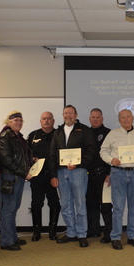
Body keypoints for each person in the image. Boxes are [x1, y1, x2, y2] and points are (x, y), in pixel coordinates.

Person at [100, 109, 134, 250]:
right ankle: (115, 237)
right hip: (118, 173)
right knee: (118, 207)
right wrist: (111, 160)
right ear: (119, 119)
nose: (126, 119)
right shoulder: (113, 134)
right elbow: (103, 151)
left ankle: (132, 235)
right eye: (123, 117)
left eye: (128, 117)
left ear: (132, 118)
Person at [49, 105, 96, 248]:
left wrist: (79, 163)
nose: (67, 116)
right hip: (61, 172)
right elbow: (52, 154)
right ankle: (71, 233)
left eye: (70, 113)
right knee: (66, 205)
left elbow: (92, 150)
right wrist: (53, 175)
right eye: (65, 113)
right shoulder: (58, 132)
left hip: (78, 171)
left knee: (80, 204)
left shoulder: (84, 130)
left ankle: (82, 234)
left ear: (76, 115)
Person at [0, 111, 33, 251]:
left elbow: (21, 157)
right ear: (8, 122)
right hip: (9, 178)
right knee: (8, 210)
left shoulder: (18, 137)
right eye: (15, 120)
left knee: (13, 209)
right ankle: (6, 241)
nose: (18, 123)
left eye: (20, 120)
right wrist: (24, 172)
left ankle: (13, 237)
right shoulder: (5, 138)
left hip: (18, 177)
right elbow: (7, 161)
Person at [26, 111, 61, 241]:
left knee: (55, 203)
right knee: (36, 204)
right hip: (37, 176)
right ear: (40, 121)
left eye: (49, 118)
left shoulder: (59, 134)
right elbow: (26, 154)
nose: (46, 121)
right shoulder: (33, 135)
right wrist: (31, 159)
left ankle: (52, 231)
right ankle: (37, 232)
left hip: (53, 175)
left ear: (53, 121)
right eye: (44, 119)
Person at [86, 108, 112, 240]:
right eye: (93, 117)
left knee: (106, 205)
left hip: (104, 174)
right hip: (88, 174)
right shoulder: (85, 133)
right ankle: (93, 230)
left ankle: (108, 232)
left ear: (102, 119)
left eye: (98, 117)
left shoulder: (109, 133)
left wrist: (110, 173)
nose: (95, 119)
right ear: (89, 119)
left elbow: (113, 154)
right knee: (91, 204)